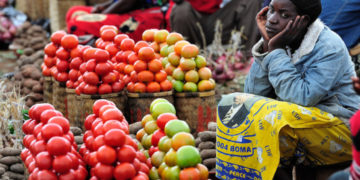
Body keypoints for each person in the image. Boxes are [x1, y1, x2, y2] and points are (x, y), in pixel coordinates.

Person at [217, 0, 360, 179]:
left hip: (340, 128)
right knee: (232, 103)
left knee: (271, 118)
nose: (272, 20)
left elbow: (302, 98)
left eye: (284, 15)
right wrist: (266, 47)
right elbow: (252, 95)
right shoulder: (280, 38)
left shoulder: (329, 46)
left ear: (303, 20)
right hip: (302, 121)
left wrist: (275, 51)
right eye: (271, 11)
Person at [169, 0, 262, 56]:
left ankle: (248, 60)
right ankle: (184, 63)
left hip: (224, 18)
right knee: (181, 11)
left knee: (251, 2)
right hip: (193, 18)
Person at [66, 0, 168, 41]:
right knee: (74, 12)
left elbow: (130, 2)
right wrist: (103, 6)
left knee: (75, 24)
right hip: (130, 9)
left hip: (148, 16)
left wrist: (103, 14)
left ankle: (99, 47)